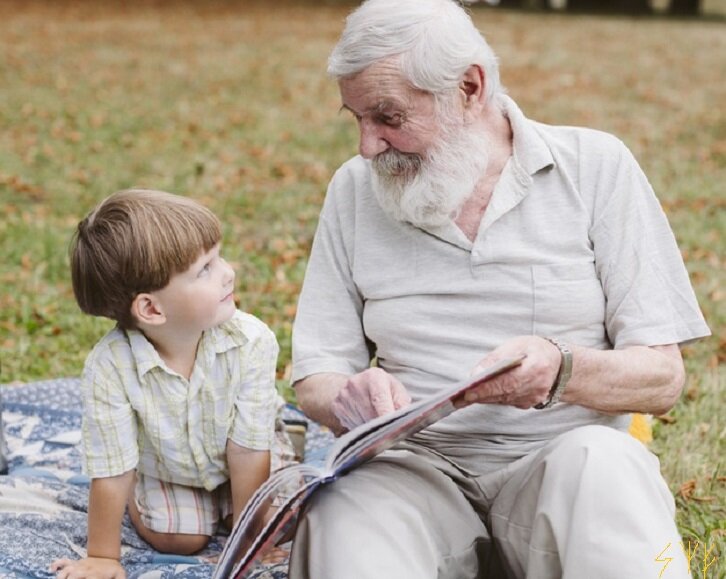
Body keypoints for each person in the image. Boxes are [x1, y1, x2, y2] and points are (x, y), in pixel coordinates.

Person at [289, 1, 711, 577]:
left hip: (563, 463)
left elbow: (662, 379)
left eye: (388, 117)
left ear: (469, 86)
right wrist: (347, 396)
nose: (368, 146)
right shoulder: (354, 191)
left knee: (606, 467)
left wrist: (562, 370)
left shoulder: (595, 167)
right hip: (413, 470)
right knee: (343, 515)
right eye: (356, 118)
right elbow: (316, 372)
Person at [51, 189, 293, 579]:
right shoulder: (111, 366)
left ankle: (262, 477)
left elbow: (248, 450)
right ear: (151, 308)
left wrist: (250, 541)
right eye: (206, 269)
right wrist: (102, 556)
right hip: (171, 467)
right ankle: (143, 493)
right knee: (177, 537)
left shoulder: (251, 341)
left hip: (244, 457)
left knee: (284, 520)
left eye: (219, 257)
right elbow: (112, 468)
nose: (228, 271)